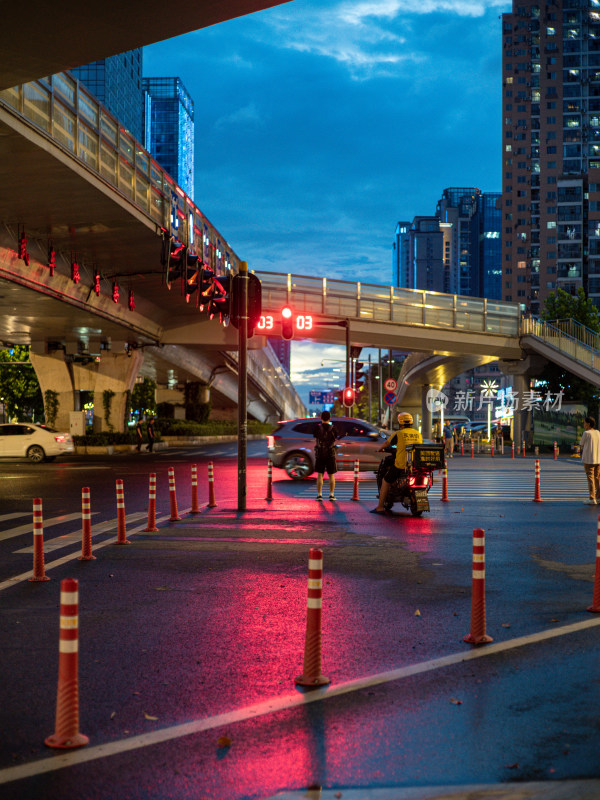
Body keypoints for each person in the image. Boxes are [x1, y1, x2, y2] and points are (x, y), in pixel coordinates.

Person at [371, 411, 422, 514]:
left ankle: (380, 507)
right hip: (416, 464)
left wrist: (379, 449)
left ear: (401, 423)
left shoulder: (399, 433)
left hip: (402, 465)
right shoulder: (417, 433)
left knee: (386, 480)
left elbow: (387, 443)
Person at [313, 410, 340, 501]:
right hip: (330, 453)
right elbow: (336, 438)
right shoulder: (333, 428)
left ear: (321, 418)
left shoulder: (317, 428)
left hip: (320, 453)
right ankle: (331, 495)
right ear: (329, 418)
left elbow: (315, 437)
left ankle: (319, 495)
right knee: (331, 475)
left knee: (320, 474)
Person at [580, 416, 600, 504]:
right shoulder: (598, 432)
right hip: (598, 459)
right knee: (597, 479)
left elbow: (581, 443)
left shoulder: (586, 433)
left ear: (588, 424)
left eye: (584, 423)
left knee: (590, 479)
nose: (583, 424)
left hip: (589, 460)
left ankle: (592, 499)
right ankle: (598, 497)